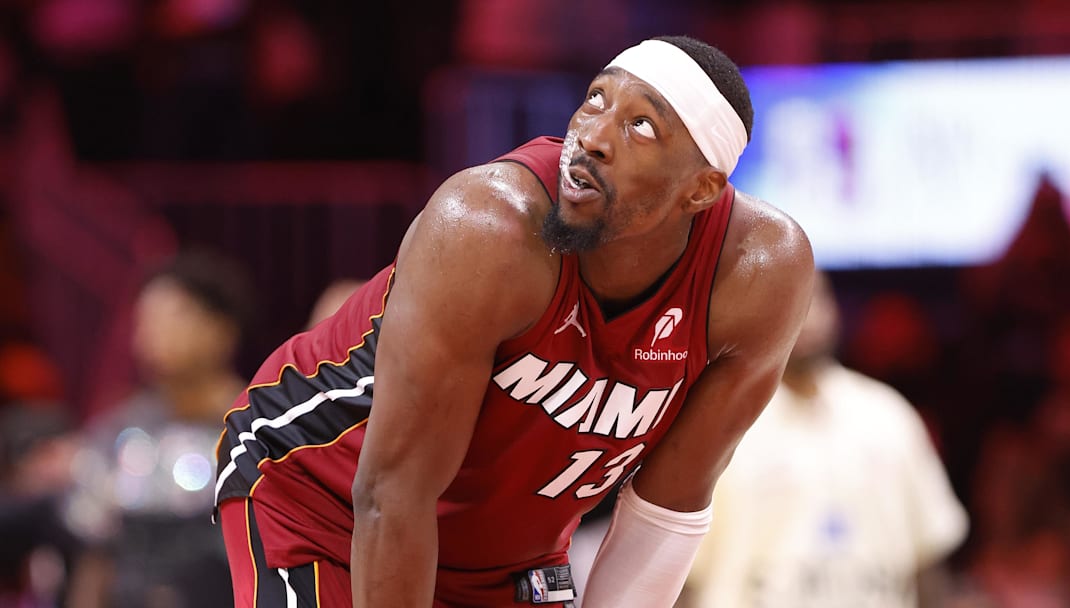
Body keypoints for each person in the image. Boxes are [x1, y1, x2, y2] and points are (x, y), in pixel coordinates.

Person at [215, 35, 815, 608]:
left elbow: (667, 510)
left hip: (507, 561)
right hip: (325, 502)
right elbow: (392, 494)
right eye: (596, 99)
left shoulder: (759, 272)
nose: (593, 137)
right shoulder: (486, 229)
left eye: (640, 125)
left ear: (702, 190)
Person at [680, 271, 969, 608]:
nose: (807, 314)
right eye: (786, 298)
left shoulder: (888, 415)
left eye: (816, 298)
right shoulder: (720, 424)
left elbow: (927, 556)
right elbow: (683, 571)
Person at [65, 249, 253, 607]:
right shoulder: (118, 431)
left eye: (171, 317)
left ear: (221, 329)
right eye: (144, 321)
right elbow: (95, 555)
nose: (152, 333)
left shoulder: (256, 429)